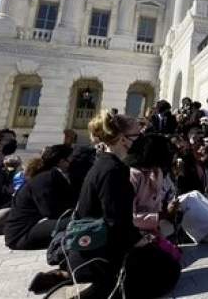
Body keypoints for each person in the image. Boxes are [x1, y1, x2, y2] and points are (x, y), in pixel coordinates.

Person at [32, 111, 180, 297]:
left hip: (92, 247)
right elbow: (117, 224)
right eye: (138, 135)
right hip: (98, 254)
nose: (142, 139)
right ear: (124, 140)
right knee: (168, 271)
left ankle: (71, 276)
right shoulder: (113, 171)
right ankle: (88, 288)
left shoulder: (106, 164)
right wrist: (143, 241)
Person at [4, 145, 76, 250]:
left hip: (29, 229)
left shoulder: (51, 175)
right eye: (70, 160)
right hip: (21, 235)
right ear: (61, 161)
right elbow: (50, 211)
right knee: (75, 223)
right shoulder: (46, 178)